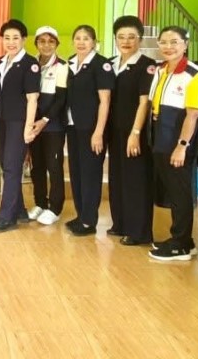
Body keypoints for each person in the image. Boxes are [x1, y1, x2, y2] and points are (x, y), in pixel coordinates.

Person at [147, 25, 198, 262]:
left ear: (185, 44)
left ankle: (181, 244)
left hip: (178, 140)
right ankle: (182, 239)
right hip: (160, 137)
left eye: (174, 42)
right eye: (163, 42)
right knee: (172, 191)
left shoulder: (194, 74)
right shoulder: (161, 70)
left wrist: (182, 145)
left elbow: (193, 114)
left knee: (180, 192)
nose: (168, 47)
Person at [0, 19, 40, 234]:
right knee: (6, 163)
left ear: (24, 40)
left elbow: (32, 99)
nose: (11, 42)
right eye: (7, 38)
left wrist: (28, 127)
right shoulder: (1, 61)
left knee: (11, 165)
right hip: (2, 121)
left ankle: (7, 217)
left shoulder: (30, 64)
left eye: (15, 38)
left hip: (19, 122)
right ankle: (18, 210)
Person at [107, 16, 156, 246]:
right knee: (117, 177)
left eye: (131, 37)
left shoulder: (147, 66)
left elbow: (144, 102)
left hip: (134, 132)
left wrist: (135, 133)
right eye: (121, 37)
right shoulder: (111, 64)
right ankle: (120, 223)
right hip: (114, 131)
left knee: (136, 180)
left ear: (140, 39)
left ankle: (139, 232)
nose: (126, 41)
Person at [64, 25, 114, 237]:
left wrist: (98, 132)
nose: (81, 42)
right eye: (78, 38)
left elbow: (105, 101)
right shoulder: (70, 63)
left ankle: (89, 221)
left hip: (92, 129)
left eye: (86, 38)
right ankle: (80, 215)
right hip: (73, 126)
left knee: (90, 174)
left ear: (94, 42)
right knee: (76, 172)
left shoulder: (101, 65)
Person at [26, 26, 68, 226]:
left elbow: (60, 99)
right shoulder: (30, 64)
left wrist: (44, 120)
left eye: (51, 41)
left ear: (57, 44)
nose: (46, 45)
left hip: (53, 126)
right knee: (37, 167)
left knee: (54, 166)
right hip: (33, 126)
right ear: (36, 44)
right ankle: (40, 203)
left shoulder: (62, 67)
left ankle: (55, 208)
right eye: (42, 41)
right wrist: (32, 123)